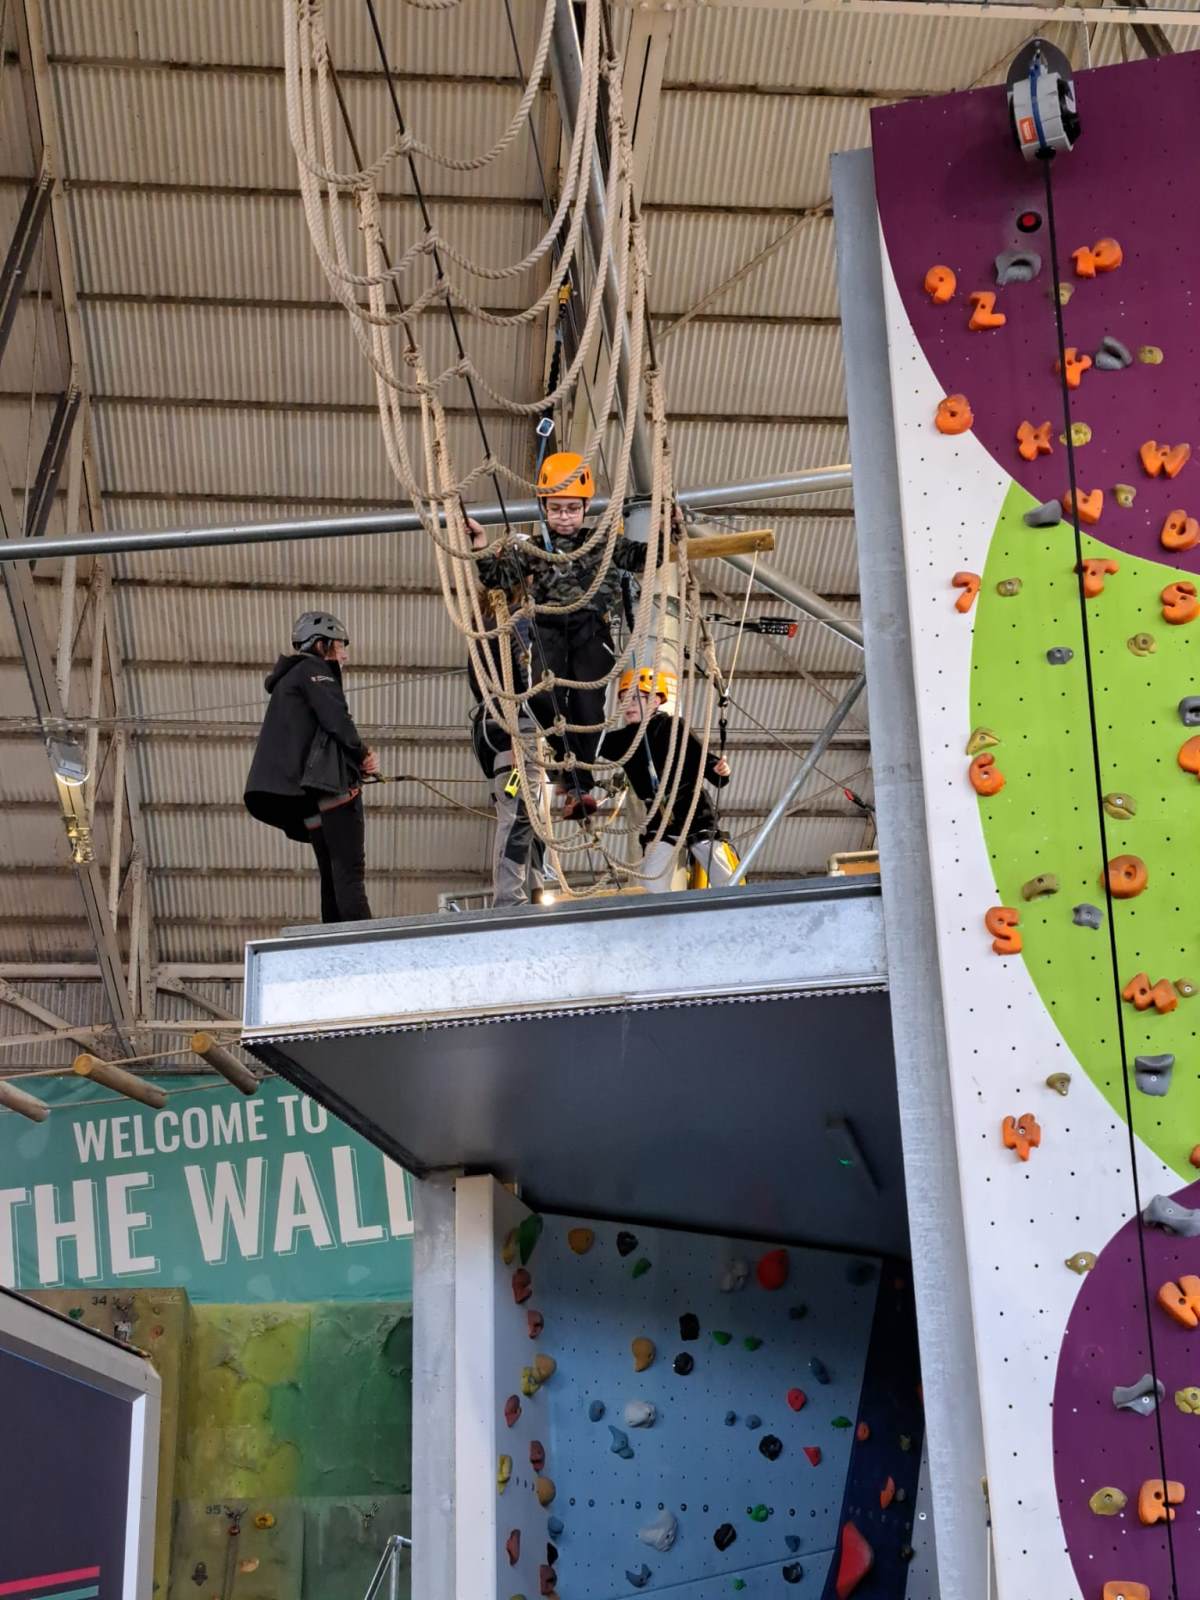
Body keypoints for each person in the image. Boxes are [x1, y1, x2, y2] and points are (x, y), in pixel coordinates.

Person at [468, 452, 657, 820]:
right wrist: (479, 543)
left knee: (587, 706)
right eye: (556, 509)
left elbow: (643, 557)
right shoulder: (534, 548)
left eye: (572, 509)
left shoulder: (602, 543)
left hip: (590, 627)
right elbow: (496, 577)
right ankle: (570, 770)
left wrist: (668, 529)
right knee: (541, 697)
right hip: (548, 627)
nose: (565, 517)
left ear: (586, 507)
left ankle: (578, 786)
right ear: (544, 508)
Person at [244, 611, 378, 923]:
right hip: (334, 795)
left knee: (331, 882)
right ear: (321, 645)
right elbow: (337, 720)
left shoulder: (289, 681)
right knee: (350, 878)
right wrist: (363, 755)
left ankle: (332, 945)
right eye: (339, 646)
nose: (344, 655)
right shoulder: (314, 670)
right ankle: (368, 947)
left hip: (312, 806)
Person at [598, 667, 738, 894]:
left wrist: (719, 769)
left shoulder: (673, 727)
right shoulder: (622, 740)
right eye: (623, 700)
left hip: (691, 808)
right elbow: (589, 745)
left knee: (723, 872)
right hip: (659, 817)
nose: (627, 705)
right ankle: (659, 916)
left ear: (655, 701)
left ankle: (736, 906)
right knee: (651, 881)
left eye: (635, 698)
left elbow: (701, 758)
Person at [467, 594, 546, 908]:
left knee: (523, 814)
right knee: (519, 815)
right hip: (515, 727)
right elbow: (528, 677)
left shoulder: (481, 628)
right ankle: (510, 899)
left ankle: (534, 890)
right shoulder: (519, 620)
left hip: (489, 728)